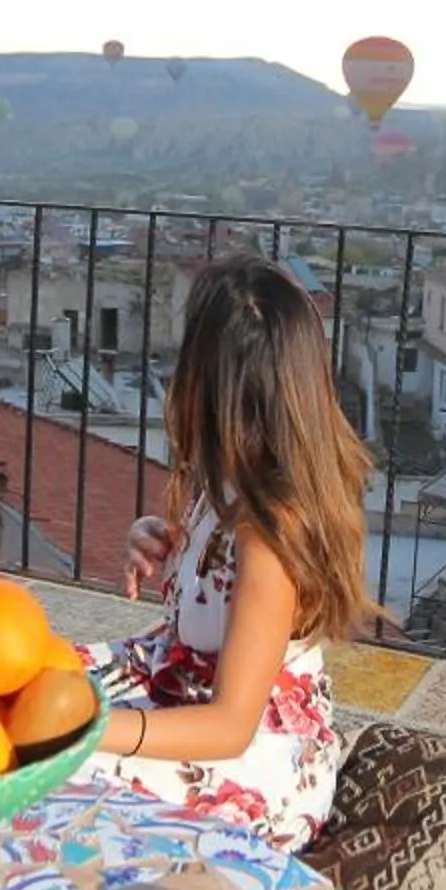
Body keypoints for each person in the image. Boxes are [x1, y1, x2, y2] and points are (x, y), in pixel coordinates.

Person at [96, 254, 370, 851]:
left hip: (249, 759)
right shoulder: (225, 480)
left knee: (44, 762)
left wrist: (88, 732)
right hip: (187, 689)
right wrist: (164, 544)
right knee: (26, 679)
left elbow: (228, 726)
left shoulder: (268, 537)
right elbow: (212, 583)